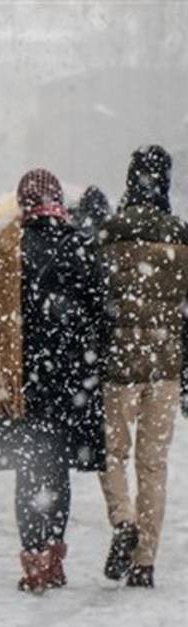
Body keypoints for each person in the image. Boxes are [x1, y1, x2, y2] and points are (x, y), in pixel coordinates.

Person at [0, 168, 108, 593]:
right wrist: (90, 364)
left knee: (29, 471)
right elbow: (101, 316)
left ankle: (33, 558)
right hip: (71, 381)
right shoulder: (81, 245)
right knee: (57, 473)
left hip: (24, 381)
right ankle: (53, 555)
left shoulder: (8, 246)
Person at [96, 146, 188, 588]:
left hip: (118, 364)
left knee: (112, 452)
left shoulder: (110, 233)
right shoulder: (180, 236)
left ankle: (123, 520)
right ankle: (145, 559)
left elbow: (96, 302)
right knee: (153, 463)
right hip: (166, 363)